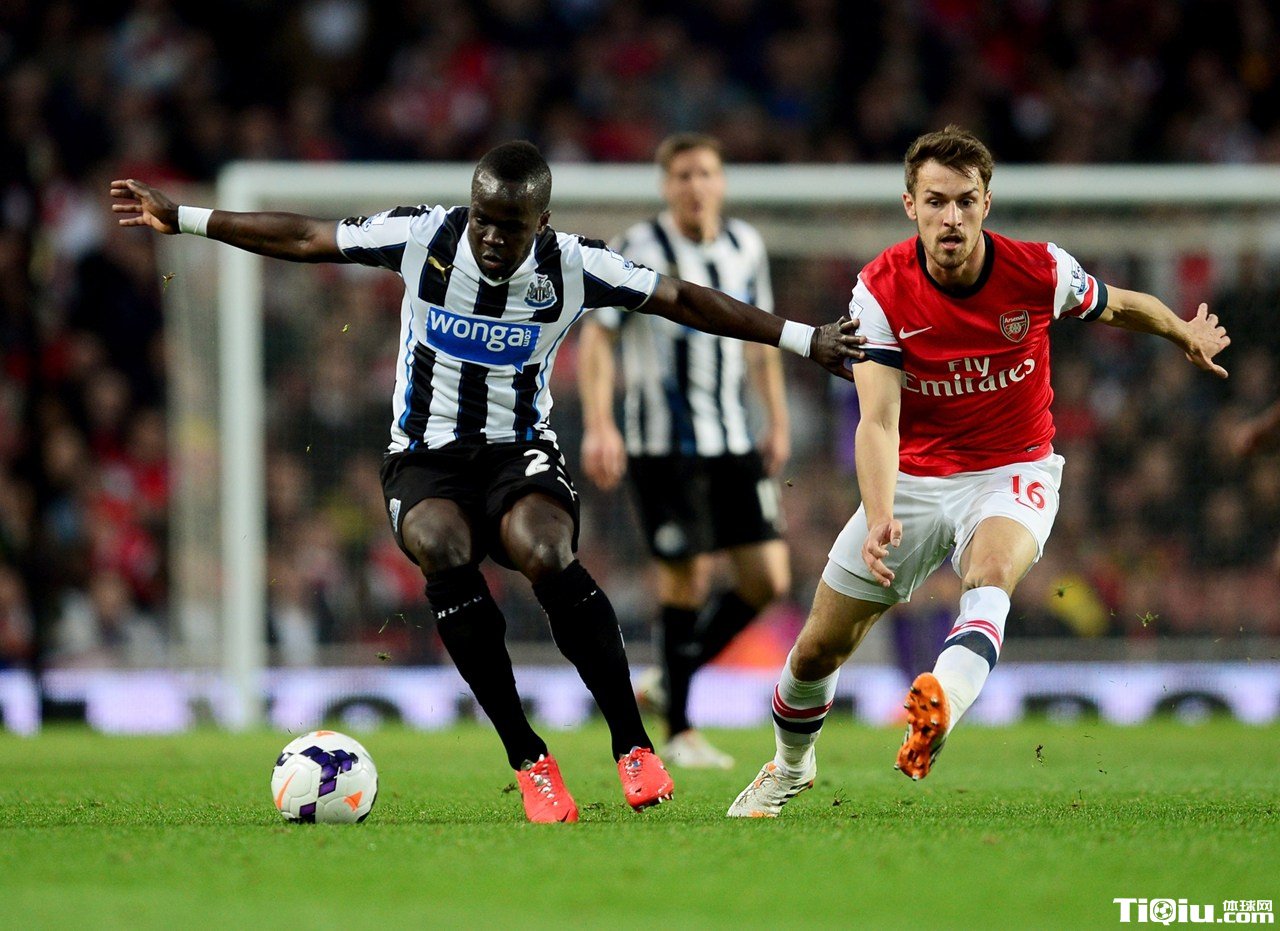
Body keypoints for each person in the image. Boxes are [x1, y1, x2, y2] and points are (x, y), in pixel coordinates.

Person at [111, 140, 863, 824]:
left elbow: (682, 298)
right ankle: (529, 759)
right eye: (484, 220)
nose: (494, 238)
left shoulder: (573, 264)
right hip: (425, 456)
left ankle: (633, 744)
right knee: (441, 546)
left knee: (546, 551)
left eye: (512, 226)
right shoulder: (423, 237)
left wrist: (804, 338)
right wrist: (185, 218)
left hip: (518, 452)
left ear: (542, 222)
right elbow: (309, 237)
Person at [728, 125, 1230, 818]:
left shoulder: (1039, 270)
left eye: (966, 201)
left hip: (1013, 468)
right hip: (913, 478)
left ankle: (941, 703)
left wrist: (1182, 329)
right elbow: (877, 422)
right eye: (936, 201)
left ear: (986, 203)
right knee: (817, 650)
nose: (952, 218)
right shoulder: (880, 291)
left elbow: (1119, 304)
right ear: (910, 205)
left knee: (990, 571)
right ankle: (790, 766)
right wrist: (880, 513)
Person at [579, 133, 791, 770]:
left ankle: (673, 677)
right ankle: (678, 730)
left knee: (768, 579)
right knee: (688, 577)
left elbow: (760, 342)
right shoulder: (638, 247)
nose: (694, 186)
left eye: (704, 173)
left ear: (721, 182)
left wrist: (777, 421)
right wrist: (600, 424)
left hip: (733, 438)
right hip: (661, 444)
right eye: (682, 175)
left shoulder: (746, 245)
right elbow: (599, 338)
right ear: (666, 185)